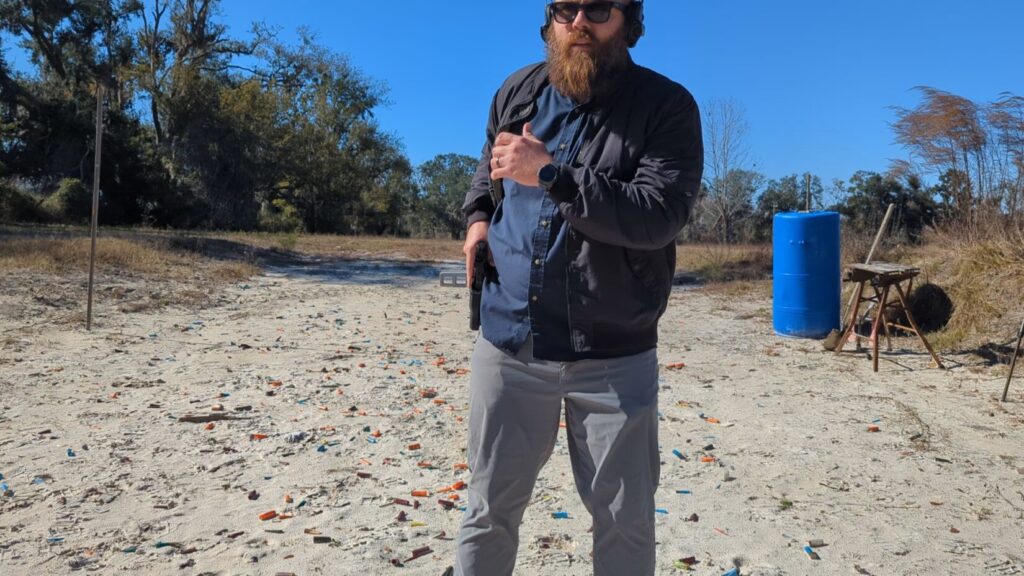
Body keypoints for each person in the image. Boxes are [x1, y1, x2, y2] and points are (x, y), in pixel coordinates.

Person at [451, 1, 703, 574]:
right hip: (510, 343)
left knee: (625, 521)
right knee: (488, 508)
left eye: (598, 8)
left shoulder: (666, 107)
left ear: (628, 20)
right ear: (551, 19)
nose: (580, 22)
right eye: (567, 7)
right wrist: (478, 218)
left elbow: (657, 214)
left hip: (614, 354)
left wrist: (550, 173)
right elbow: (489, 167)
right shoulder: (518, 91)